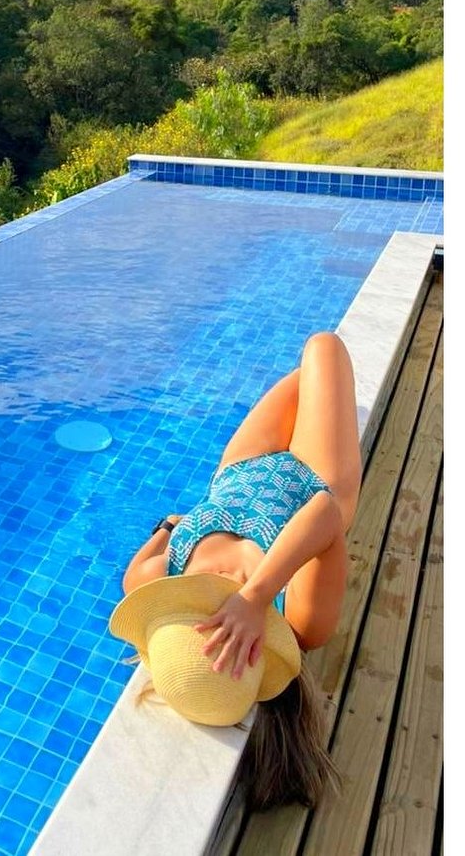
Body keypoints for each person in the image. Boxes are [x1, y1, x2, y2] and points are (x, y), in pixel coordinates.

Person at [108, 330, 360, 810]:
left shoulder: (167, 579)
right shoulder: (300, 621)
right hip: (315, 474)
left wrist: (168, 527)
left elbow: (132, 576)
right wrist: (254, 597)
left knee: (308, 376)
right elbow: (325, 513)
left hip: (239, 469)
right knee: (323, 348)